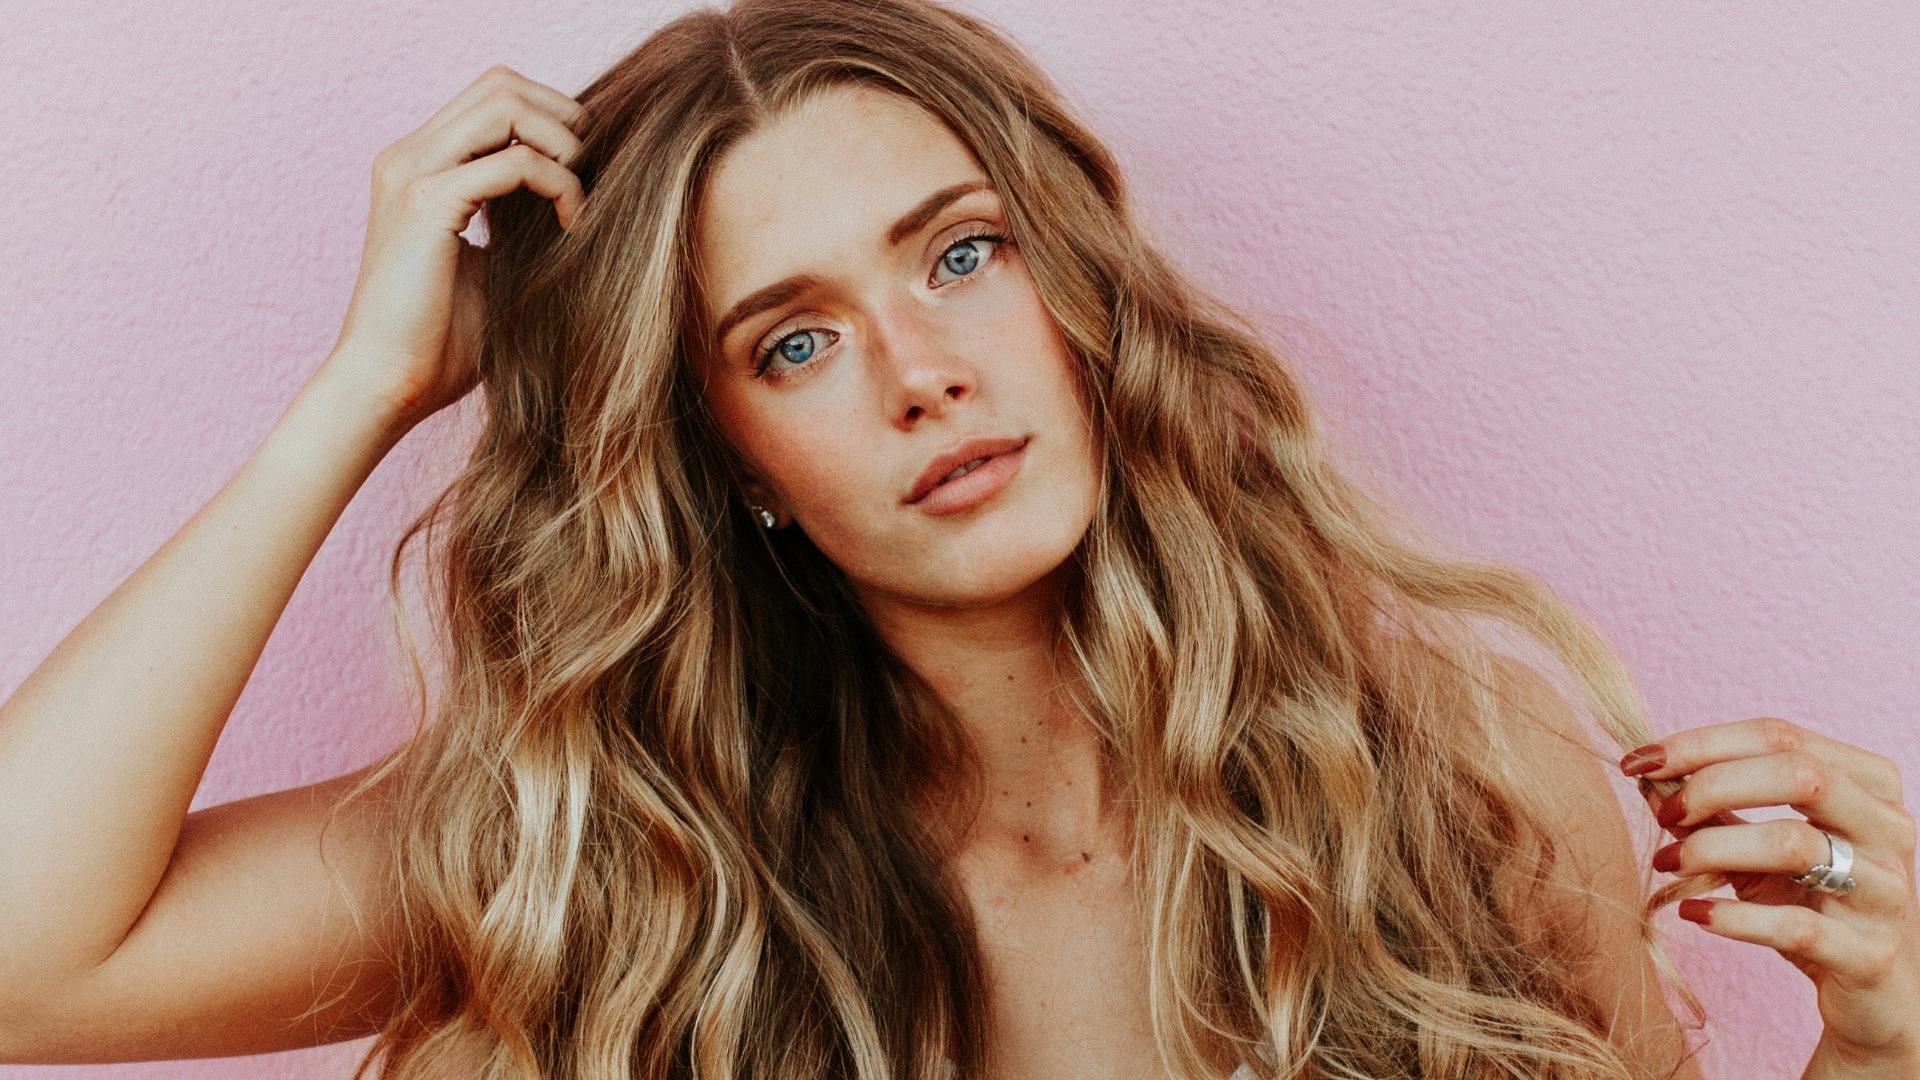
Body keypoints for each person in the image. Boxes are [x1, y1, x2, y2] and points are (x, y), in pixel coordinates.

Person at [0, 0, 1913, 1076]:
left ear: (1078, 292)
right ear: (726, 455)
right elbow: (26, 956)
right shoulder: (606, 852)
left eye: (963, 254)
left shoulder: (1444, 779)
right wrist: (366, 388)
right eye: (794, 341)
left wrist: (1880, 1045)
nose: (921, 373)